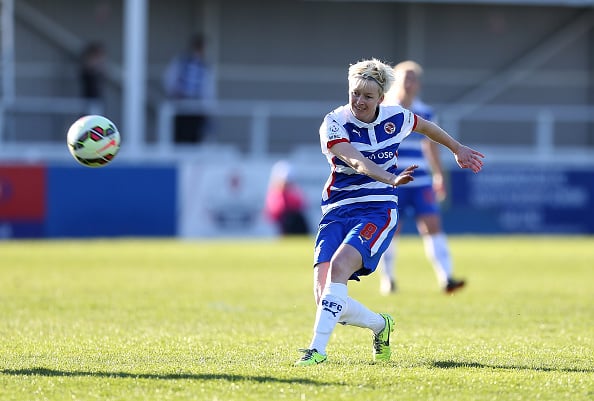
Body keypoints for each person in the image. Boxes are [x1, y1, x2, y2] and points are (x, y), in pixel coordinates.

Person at [295, 58, 484, 366]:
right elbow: (356, 162)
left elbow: (426, 126)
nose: (359, 100)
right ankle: (381, 325)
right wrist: (391, 177)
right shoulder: (334, 122)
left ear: (381, 98)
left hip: (377, 210)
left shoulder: (396, 117)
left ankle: (316, 352)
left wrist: (457, 149)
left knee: (341, 267)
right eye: (355, 93)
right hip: (336, 211)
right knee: (325, 297)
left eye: (367, 96)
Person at [379, 60, 465, 295]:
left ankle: (446, 278)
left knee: (433, 227)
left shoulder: (426, 112)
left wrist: (438, 175)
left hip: (421, 182)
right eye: (404, 77)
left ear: (418, 84)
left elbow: (431, 146)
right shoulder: (385, 110)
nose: (409, 82)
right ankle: (388, 279)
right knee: (391, 229)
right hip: (394, 181)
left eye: (413, 78)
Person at [163, 34, 215, 143]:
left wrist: (206, 108)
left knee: (194, 137)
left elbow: (207, 90)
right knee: (180, 136)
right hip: (181, 105)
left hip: (196, 107)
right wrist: (174, 94)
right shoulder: (181, 61)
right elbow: (169, 79)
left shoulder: (204, 66)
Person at [264, 160, 309, 236]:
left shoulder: (294, 193)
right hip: (280, 223)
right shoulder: (274, 194)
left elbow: (302, 204)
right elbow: (276, 210)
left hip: (294, 223)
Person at [79, 41, 106, 110]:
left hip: (96, 99)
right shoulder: (88, 69)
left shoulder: (98, 70)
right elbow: (90, 69)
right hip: (88, 100)